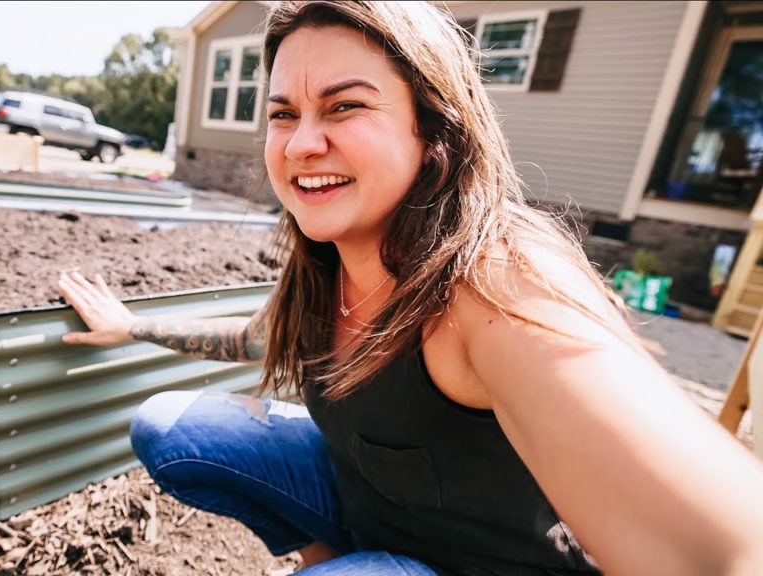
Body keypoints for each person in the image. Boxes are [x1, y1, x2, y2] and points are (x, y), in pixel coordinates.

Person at [57, 2, 763, 574]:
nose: (301, 142)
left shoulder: (495, 280)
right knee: (171, 432)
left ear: (433, 130)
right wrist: (134, 327)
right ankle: (326, 557)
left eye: (344, 107)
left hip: (474, 563)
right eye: (283, 113)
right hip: (373, 505)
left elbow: (730, 548)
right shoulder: (336, 260)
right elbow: (260, 336)